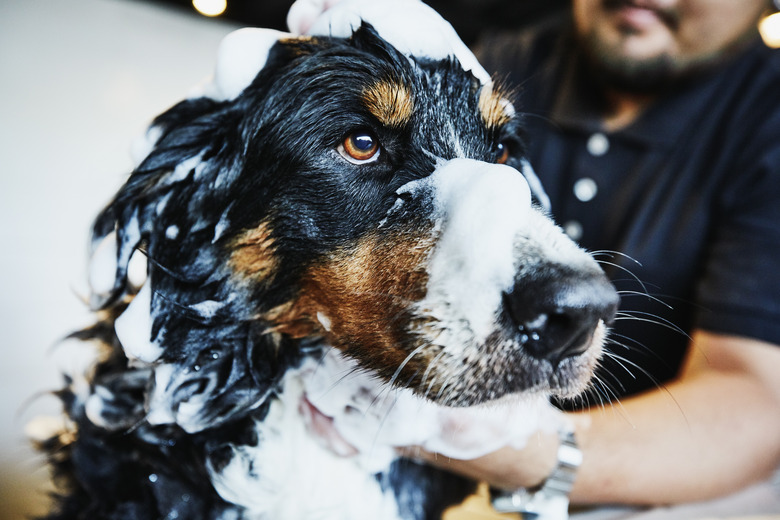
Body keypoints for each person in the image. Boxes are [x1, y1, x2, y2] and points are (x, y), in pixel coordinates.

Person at [409, 0, 780, 511]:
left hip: (653, 489)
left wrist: (516, 454)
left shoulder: (768, 122)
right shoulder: (491, 65)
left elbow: (753, 400)